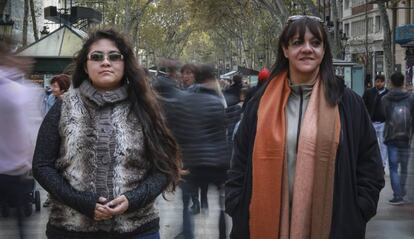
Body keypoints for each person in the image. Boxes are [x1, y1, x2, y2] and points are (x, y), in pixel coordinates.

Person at [225, 15, 384, 239]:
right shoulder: (260, 103)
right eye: (298, 42)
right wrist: (236, 202)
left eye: (315, 43)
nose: (307, 49)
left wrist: (358, 210)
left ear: (323, 50)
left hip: (331, 227)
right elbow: (239, 161)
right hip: (264, 225)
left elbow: (370, 164)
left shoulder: (347, 103)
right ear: (285, 49)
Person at [32, 29, 181, 239]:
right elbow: (41, 165)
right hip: (71, 230)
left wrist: (132, 200)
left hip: (137, 230)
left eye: (114, 56)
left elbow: (164, 168)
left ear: (124, 63)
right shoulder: (64, 106)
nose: (105, 62)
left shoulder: (146, 107)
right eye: (96, 57)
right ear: (86, 65)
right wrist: (80, 201)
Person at [0, 38, 43, 239]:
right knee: (21, 226)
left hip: (12, 166)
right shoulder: (24, 92)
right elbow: (30, 131)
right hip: (17, 168)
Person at [382, 71, 414, 205]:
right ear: (403, 82)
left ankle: (397, 195)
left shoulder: (385, 98)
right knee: (405, 167)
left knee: (393, 167)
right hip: (406, 136)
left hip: (391, 137)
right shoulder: (411, 98)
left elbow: (383, 115)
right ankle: (402, 190)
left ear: (391, 82)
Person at [363, 74, 389, 168]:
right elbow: (363, 105)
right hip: (371, 122)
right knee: (371, 143)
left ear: (384, 82)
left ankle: (382, 164)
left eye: (380, 82)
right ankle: (372, 162)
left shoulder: (388, 93)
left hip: (384, 123)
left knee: (383, 144)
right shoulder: (369, 92)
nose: (378, 84)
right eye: (377, 81)